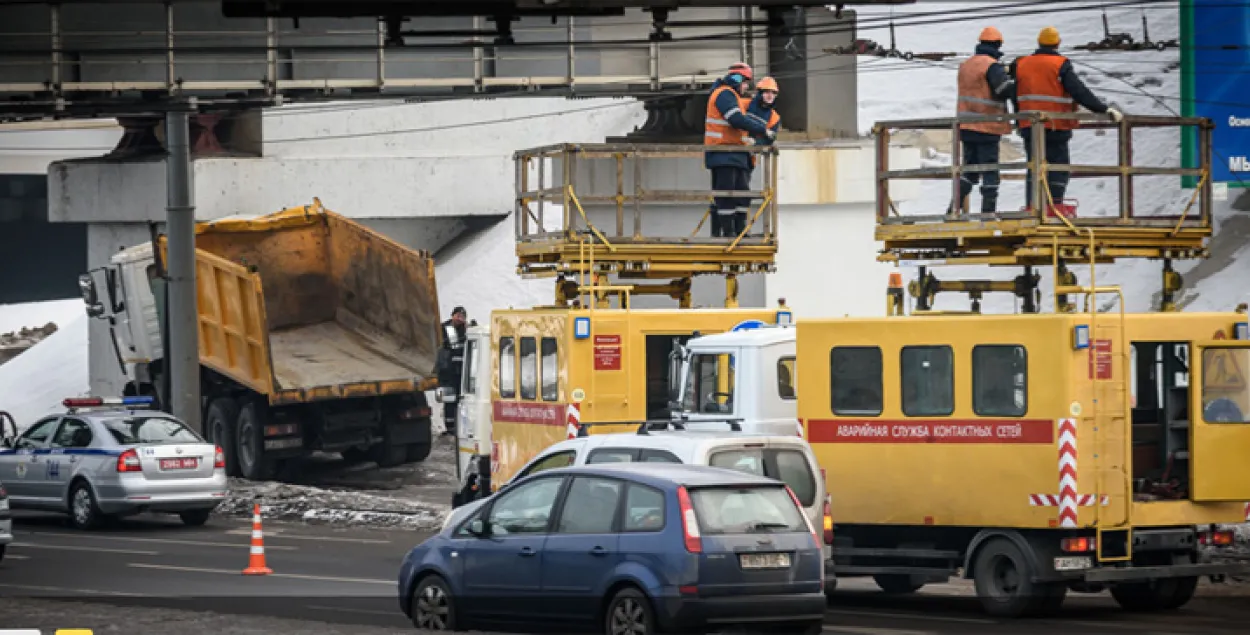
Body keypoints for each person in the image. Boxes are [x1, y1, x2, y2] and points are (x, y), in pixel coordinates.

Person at [1011, 26, 1122, 211]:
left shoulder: (1022, 64)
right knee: (1058, 166)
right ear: (1057, 43)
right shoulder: (1060, 64)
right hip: (1056, 125)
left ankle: (1033, 205)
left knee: (1034, 165)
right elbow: (1079, 91)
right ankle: (1055, 205)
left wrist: (1018, 120)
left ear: (1039, 43)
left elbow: (1015, 94)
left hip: (1029, 125)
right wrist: (1103, 109)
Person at [950, 27, 1015, 215]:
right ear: (997, 45)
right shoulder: (991, 65)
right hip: (987, 126)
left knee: (969, 171)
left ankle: (953, 208)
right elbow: (1002, 89)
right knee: (990, 171)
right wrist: (1015, 83)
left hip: (967, 126)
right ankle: (988, 213)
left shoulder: (966, 65)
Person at [704, 62, 774, 238]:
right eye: (745, 83)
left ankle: (740, 230)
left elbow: (748, 114)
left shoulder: (732, 96)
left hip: (735, 154)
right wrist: (762, 129)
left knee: (741, 194)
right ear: (737, 79)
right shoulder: (724, 94)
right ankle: (728, 233)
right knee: (727, 195)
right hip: (723, 154)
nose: (745, 87)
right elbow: (736, 119)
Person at [437, 306, 468, 436]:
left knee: (462, 399)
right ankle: (450, 426)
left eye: (462, 316)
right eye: (458, 315)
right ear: (453, 315)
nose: (460, 318)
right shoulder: (444, 328)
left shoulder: (466, 329)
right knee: (450, 398)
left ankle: (460, 425)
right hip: (448, 370)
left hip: (462, 370)